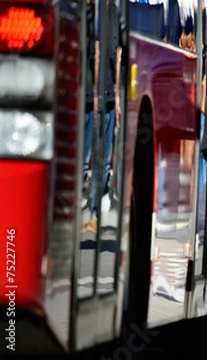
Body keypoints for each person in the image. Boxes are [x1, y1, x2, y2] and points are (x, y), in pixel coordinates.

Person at [81, 0, 121, 233]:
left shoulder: (102, 10)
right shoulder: (105, 11)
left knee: (97, 161)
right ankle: (90, 214)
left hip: (97, 95)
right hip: (98, 95)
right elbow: (106, 51)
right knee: (95, 160)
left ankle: (92, 214)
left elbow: (111, 51)